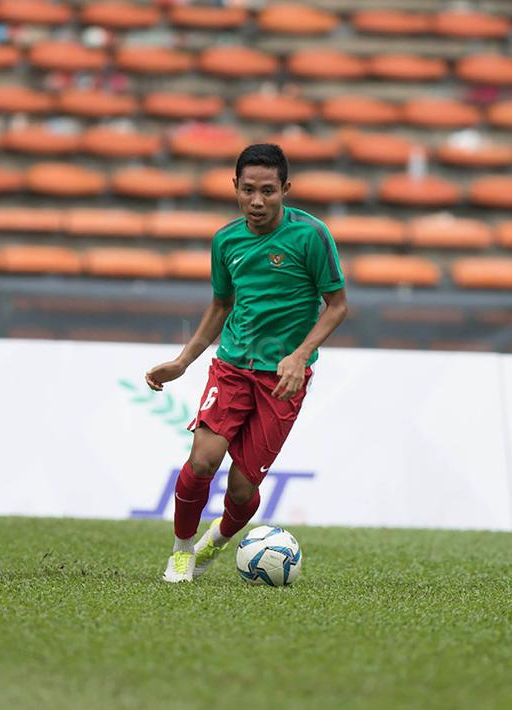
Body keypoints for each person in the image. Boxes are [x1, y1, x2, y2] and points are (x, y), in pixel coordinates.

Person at [145, 143, 348, 583]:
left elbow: (336, 306)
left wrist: (298, 356)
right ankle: (181, 552)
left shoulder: (312, 236)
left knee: (241, 489)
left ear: (286, 190)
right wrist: (183, 361)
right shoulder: (226, 240)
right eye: (249, 190)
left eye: (269, 192)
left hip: (283, 379)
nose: (258, 202)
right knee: (202, 461)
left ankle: (215, 541)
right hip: (233, 365)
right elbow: (220, 306)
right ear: (235, 188)